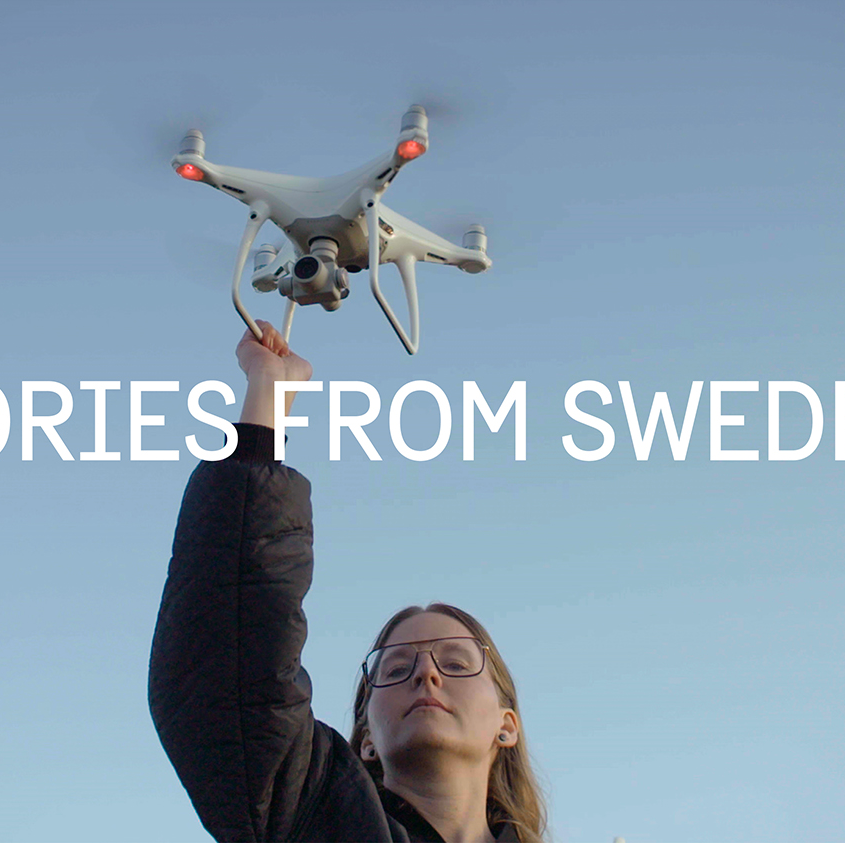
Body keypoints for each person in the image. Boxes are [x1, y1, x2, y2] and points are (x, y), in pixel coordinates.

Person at [149, 322, 548, 842]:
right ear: (365, 739)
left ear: (507, 724)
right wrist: (267, 393)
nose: (426, 675)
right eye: (396, 668)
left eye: (454, 661)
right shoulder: (321, 819)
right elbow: (231, 673)